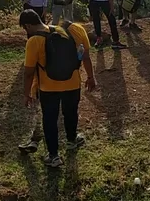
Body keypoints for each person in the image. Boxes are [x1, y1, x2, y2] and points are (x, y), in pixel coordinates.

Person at [20, 9, 96, 168]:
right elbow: (86, 56)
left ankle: (53, 155)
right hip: (73, 83)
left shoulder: (34, 41)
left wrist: (27, 94)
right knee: (70, 113)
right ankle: (72, 140)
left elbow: (28, 73)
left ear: (28, 25)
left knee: (49, 120)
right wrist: (90, 77)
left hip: (48, 88)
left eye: (25, 29)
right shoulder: (75, 29)